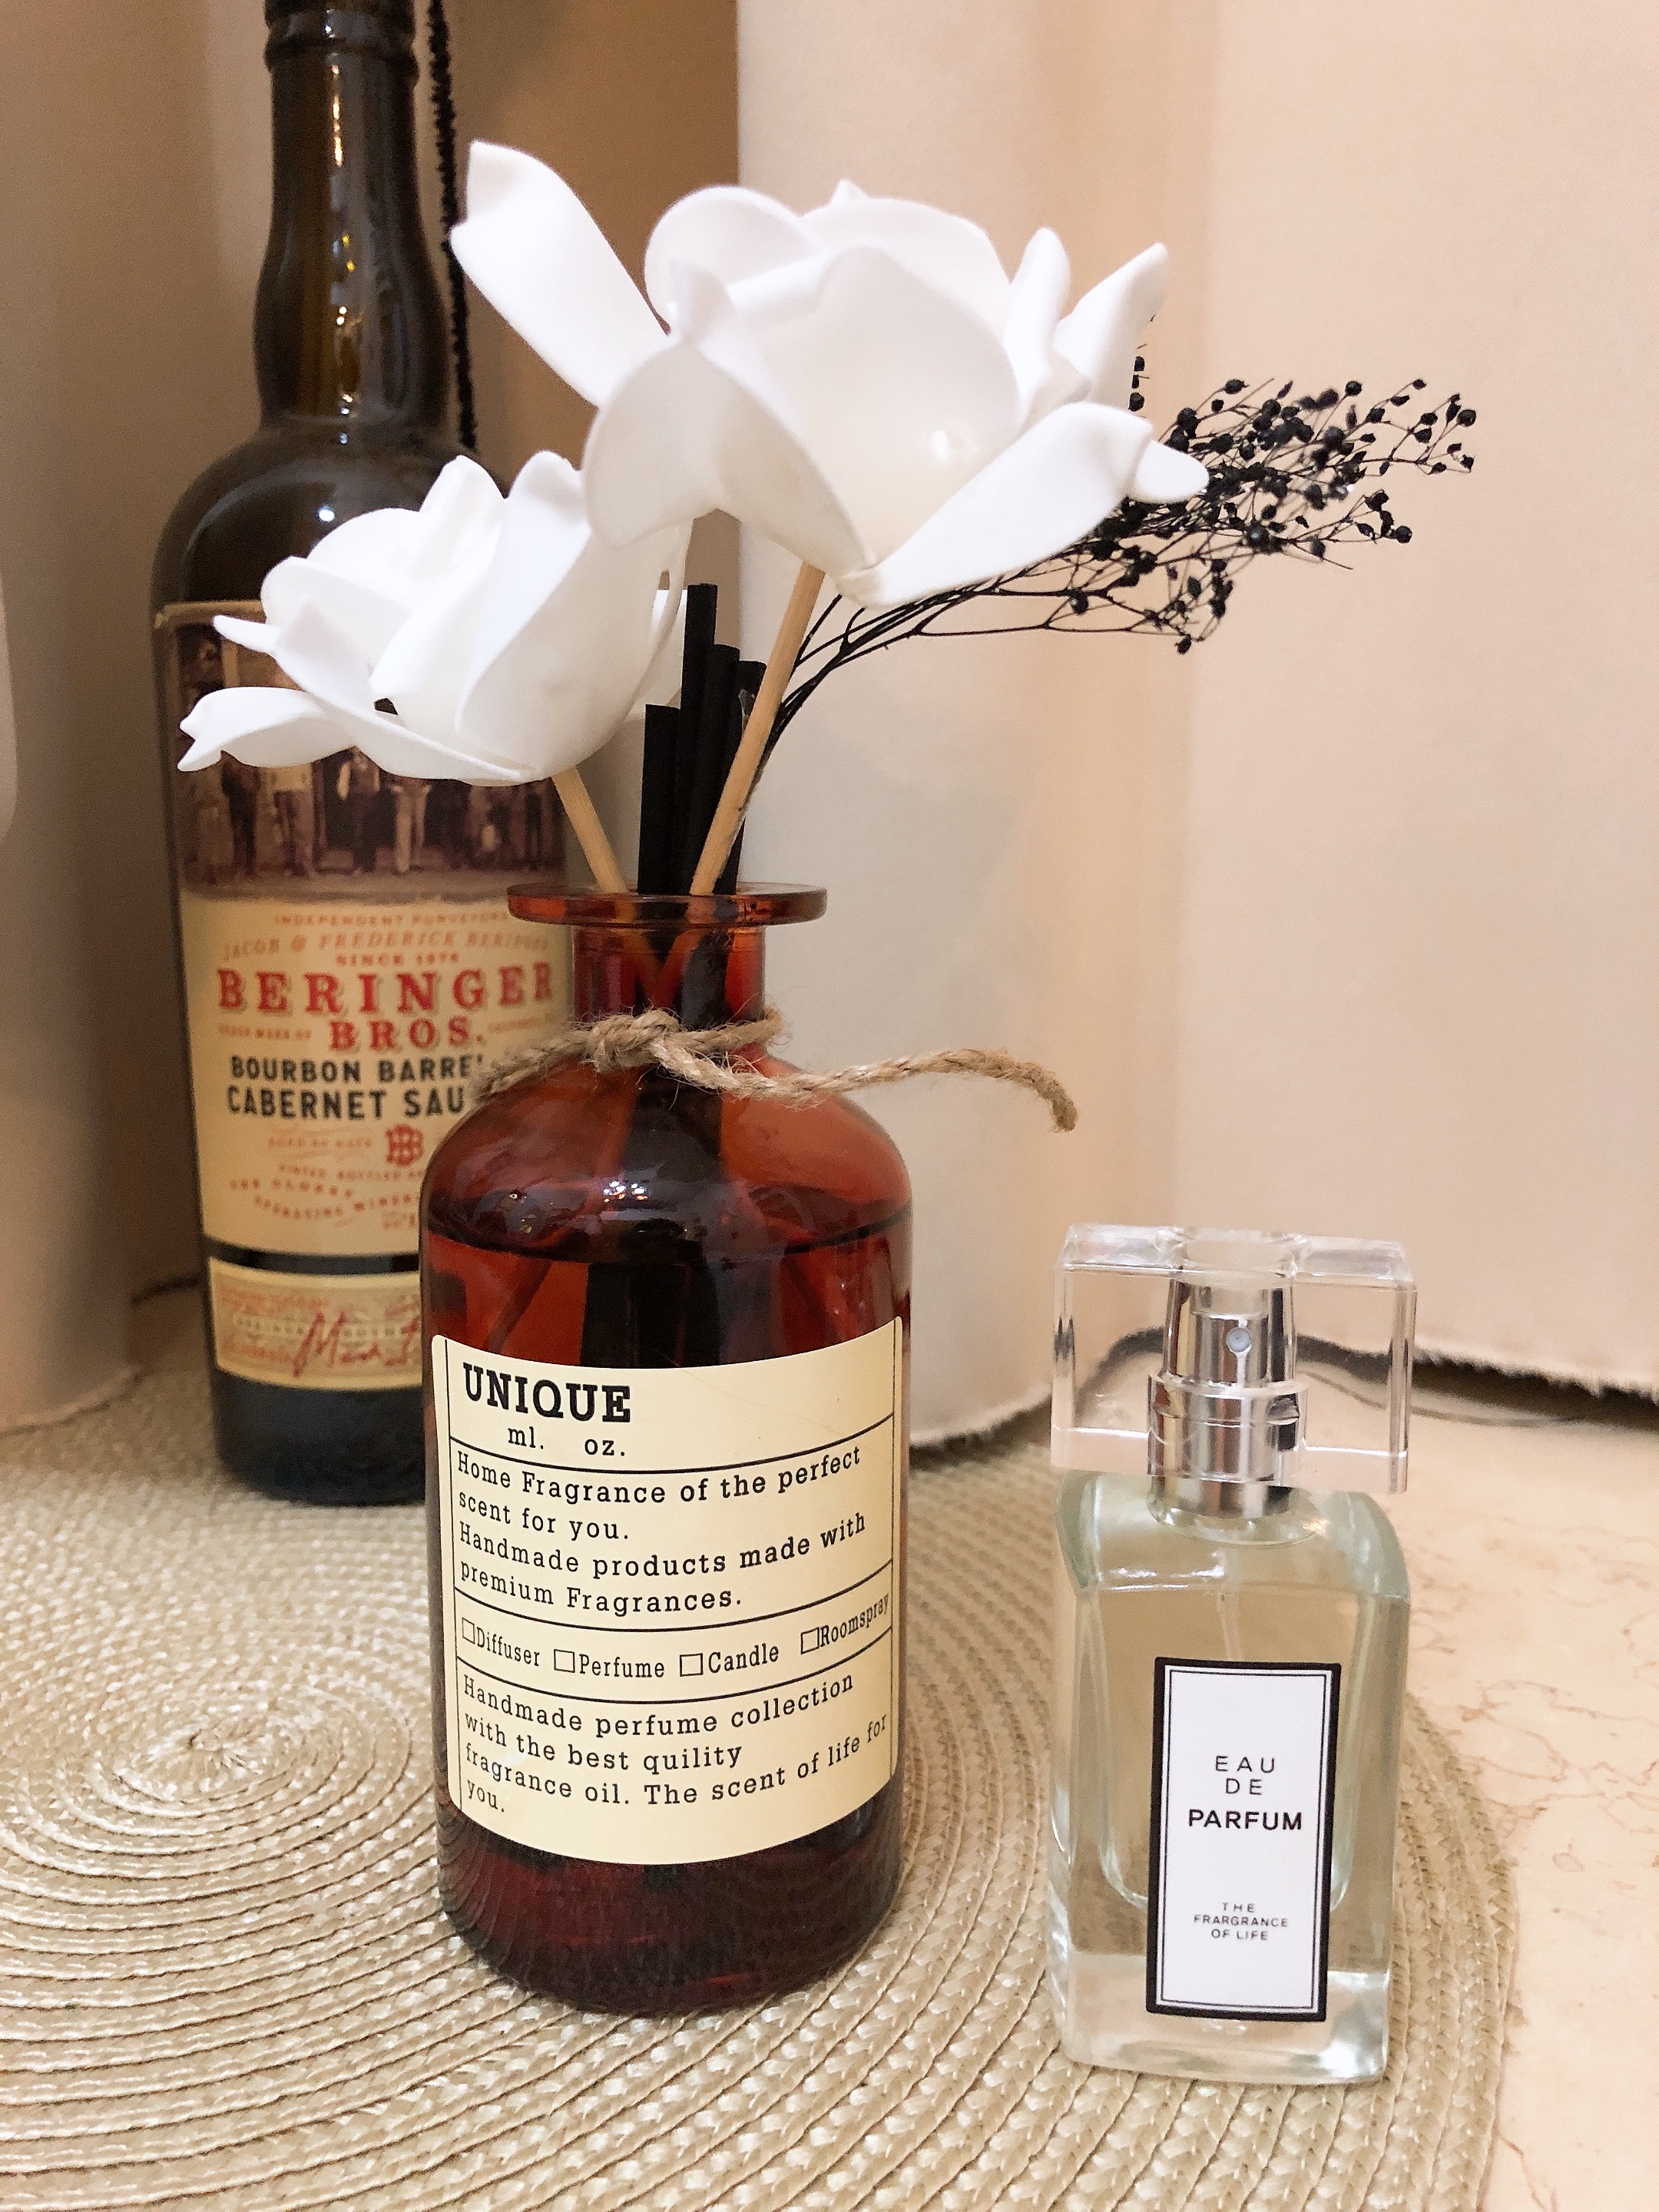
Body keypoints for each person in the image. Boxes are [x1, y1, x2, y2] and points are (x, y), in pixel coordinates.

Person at [269, 762, 316, 876]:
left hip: (298, 790)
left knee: (301, 830)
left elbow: (307, 774)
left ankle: (304, 864)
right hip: (280, 791)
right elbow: (270, 778)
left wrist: (306, 789)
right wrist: (271, 801)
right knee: (285, 831)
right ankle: (289, 865)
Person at [340, 752, 382, 874]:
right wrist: (349, 798)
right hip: (356, 803)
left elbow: (376, 785)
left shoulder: (373, 766)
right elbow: (342, 786)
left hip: (370, 802)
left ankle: (370, 864)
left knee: (370, 833)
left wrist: (371, 794)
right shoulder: (348, 766)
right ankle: (358, 864)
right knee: (357, 834)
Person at [391, 775, 432, 874]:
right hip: (403, 789)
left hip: (420, 789)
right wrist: (393, 784)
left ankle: (416, 861)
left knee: (419, 828)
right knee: (403, 828)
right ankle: (402, 865)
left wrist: (429, 784)